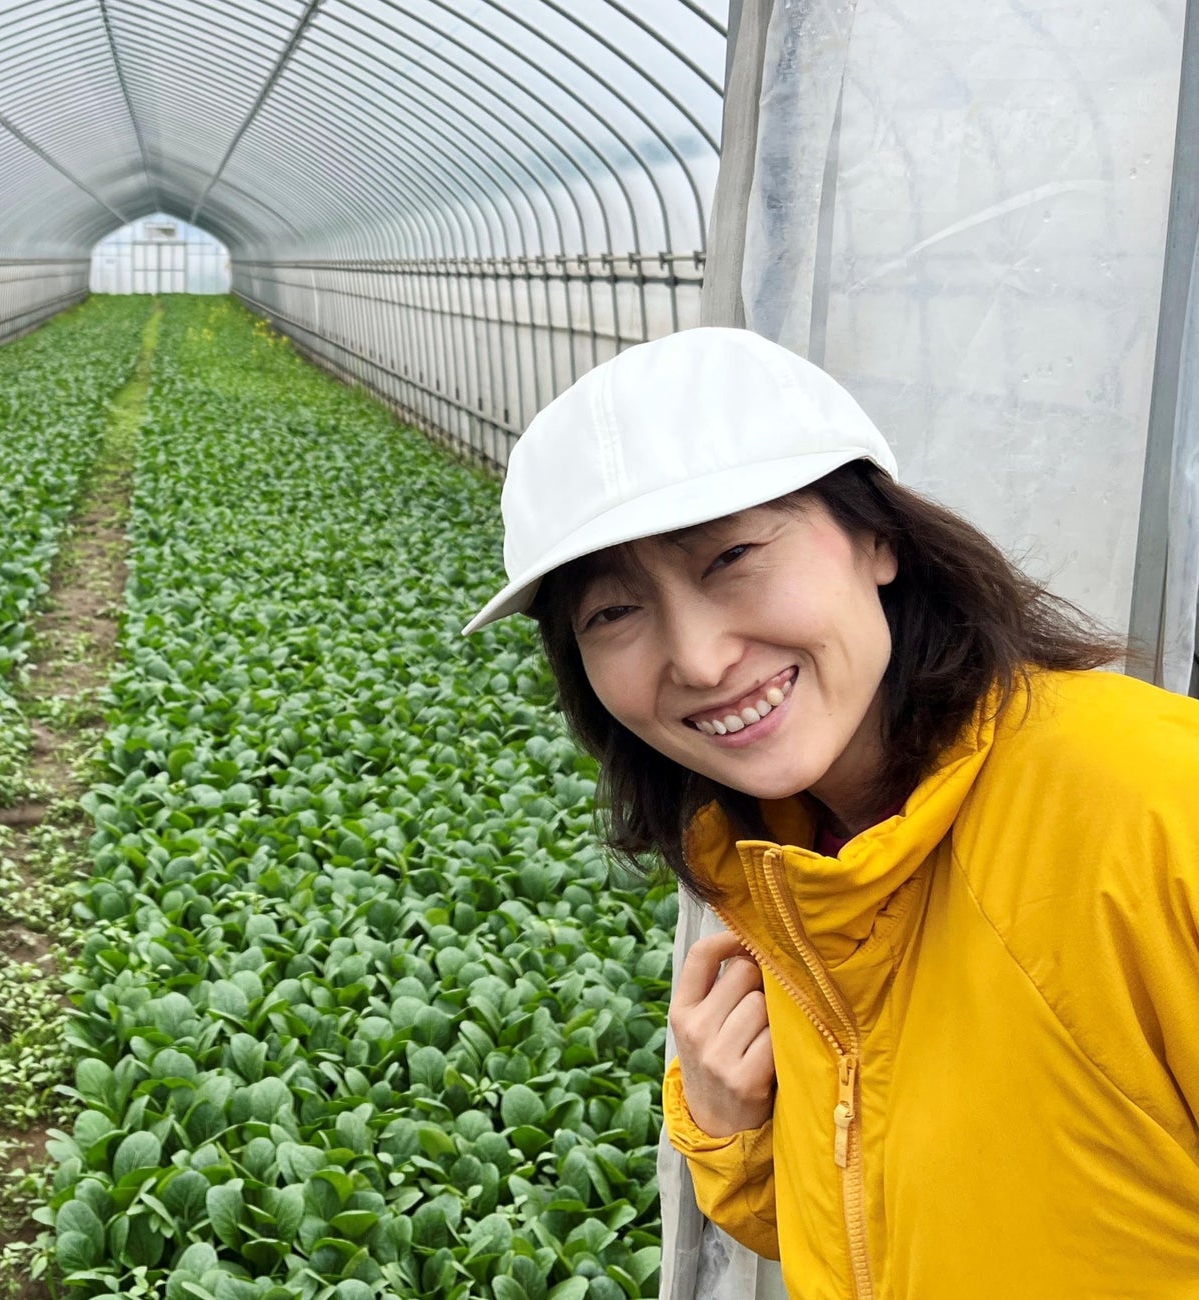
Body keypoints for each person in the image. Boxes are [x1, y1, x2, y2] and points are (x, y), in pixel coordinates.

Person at [463, 328, 1199, 1298]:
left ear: (878, 535)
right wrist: (732, 1127)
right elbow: (880, 1227)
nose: (700, 656)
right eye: (612, 612)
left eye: (730, 555)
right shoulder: (786, 860)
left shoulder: (1150, 799)